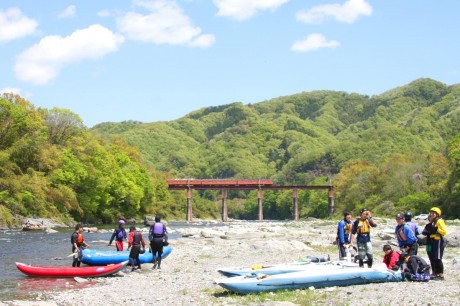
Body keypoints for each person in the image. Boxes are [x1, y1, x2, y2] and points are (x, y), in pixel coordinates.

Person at [422, 207, 447, 280]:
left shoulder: (439, 221)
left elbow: (444, 231)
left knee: (437, 257)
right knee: (432, 257)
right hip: (431, 241)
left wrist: (437, 228)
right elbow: (424, 232)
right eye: (431, 213)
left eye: (433, 213)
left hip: (437, 240)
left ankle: (440, 274)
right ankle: (435, 273)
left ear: (437, 214)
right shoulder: (431, 223)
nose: (432, 214)